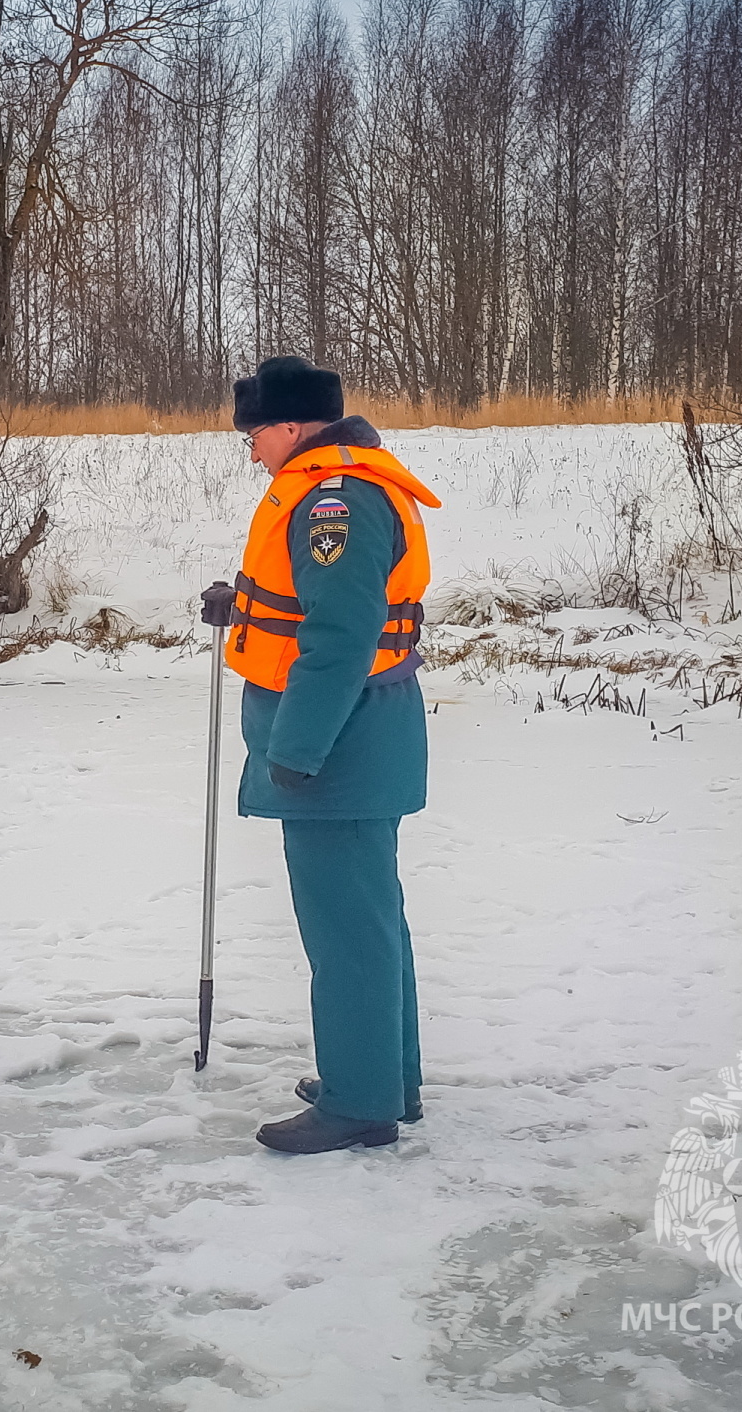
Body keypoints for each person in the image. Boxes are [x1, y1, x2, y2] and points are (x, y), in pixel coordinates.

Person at [221, 356, 441, 1154]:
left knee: (347, 930)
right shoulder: (345, 490)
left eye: (254, 435)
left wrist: (298, 747)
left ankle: (360, 1101)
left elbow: (341, 636)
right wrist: (239, 603)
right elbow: (312, 605)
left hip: (339, 748)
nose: (252, 452)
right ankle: (383, 1078)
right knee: (371, 922)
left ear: (290, 426)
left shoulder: (332, 502)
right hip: (362, 739)